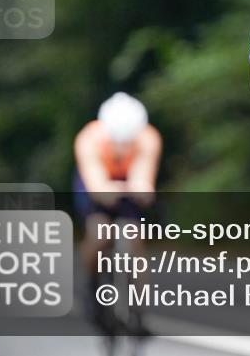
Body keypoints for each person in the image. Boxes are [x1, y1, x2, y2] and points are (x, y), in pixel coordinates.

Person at [73, 92, 161, 333]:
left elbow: (143, 176)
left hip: (127, 181)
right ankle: (91, 283)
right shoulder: (89, 139)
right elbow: (95, 183)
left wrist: (142, 189)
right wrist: (105, 191)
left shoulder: (148, 137)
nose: (122, 146)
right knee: (100, 232)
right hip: (96, 181)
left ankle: (139, 311)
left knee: (134, 238)